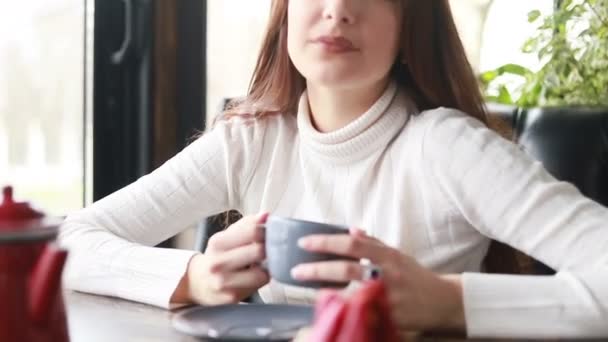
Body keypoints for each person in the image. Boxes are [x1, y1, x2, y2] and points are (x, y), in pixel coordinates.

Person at [59, 0, 608, 338]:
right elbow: (65, 243)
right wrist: (195, 277)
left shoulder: (448, 148)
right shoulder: (250, 139)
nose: (338, 7)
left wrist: (447, 301)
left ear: (408, 23)